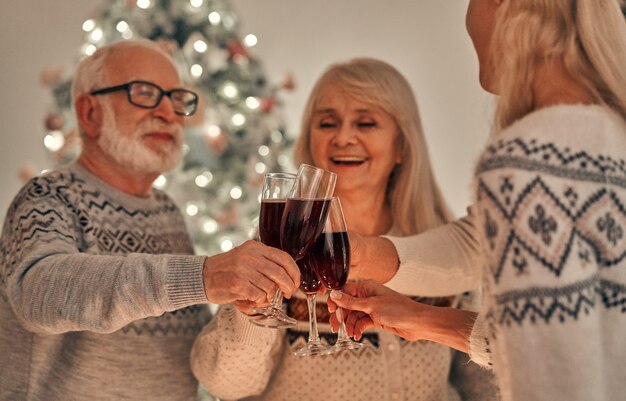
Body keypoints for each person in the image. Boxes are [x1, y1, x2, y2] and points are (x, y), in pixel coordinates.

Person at [328, 1, 626, 401]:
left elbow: (555, 376)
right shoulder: (609, 134)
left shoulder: (530, 158)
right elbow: (585, 343)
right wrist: (431, 320)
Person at [0, 39, 300, 401]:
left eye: (176, 99)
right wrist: (203, 276)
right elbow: (38, 294)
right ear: (89, 113)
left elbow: (188, 350)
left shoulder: (166, 211)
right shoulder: (48, 197)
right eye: (144, 93)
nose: (169, 113)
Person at [190, 57, 500, 401]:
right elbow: (225, 385)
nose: (344, 137)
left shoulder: (445, 254)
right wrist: (251, 313)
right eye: (327, 123)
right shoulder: (278, 250)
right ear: (310, 140)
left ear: (401, 146)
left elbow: (486, 385)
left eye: (366, 123)